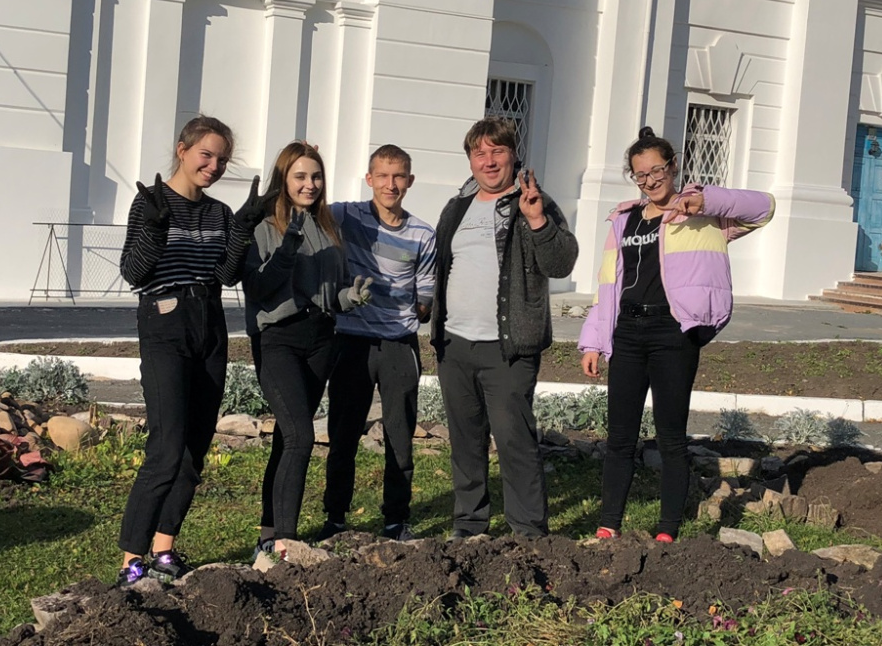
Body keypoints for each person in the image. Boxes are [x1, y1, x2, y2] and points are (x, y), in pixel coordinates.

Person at [578, 126, 775, 542]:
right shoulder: (624, 219)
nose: (650, 181)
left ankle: (667, 529)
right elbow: (607, 283)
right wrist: (594, 340)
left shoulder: (705, 215)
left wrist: (708, 199)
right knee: (620, 437)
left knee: (670, 436)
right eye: (640, 174)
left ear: (673, 166)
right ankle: (609, 524)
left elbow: (764, 208)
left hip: (673, 331)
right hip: (627, 332)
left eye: (657, 170)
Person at [117, 115, 271, 585]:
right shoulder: (151, 202)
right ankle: (132, 560)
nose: (214, 166)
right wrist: (155, 230)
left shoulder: (219, 212)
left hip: (210, 323)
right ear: (182, 150)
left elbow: (226, 275)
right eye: (207, 155)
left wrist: (242, 229)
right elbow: (134, 273)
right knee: (166, 447)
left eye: (222, 160)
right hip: (165, 322)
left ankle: (164, 549)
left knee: (194, 448)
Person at [429, 116, 578, 539]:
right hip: (455, 343)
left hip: (508, 347)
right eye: (480, 153)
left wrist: (537, 221)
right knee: (465, 439)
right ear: (470, 160)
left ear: (514, 155)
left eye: (498, 151)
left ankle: (528, 531)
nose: (489, 161)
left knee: (514, 439)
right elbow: (442, 265)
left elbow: (561, 263)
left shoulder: (534, 201)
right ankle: (469, 525)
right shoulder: (457, 207)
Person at [242, 140, 373, 560]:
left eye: (316, 176)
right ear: (283, 179)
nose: (310, 184)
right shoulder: (265, 226)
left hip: (320, 341)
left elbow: (330, 294)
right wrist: (286, 250)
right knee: (301, 436)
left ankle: (268, 534)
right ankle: (285, 542)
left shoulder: (327, 226)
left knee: (287, 439)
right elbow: (258, 288)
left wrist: (349, 299)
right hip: (278, 340)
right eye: (300, 176)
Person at [319, 144, 437, 543]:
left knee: (400, 438)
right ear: (369, 179)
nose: (391, 184)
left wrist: (406, 308)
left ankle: (396, 520)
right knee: (343, 436)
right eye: (382, 176)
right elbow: (308, 204)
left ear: (410, 181)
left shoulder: (423, 234)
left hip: (399, 345)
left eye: (399, 176)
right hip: (351, 342)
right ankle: (335, 518)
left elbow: (425, 297)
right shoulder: (345, 215)